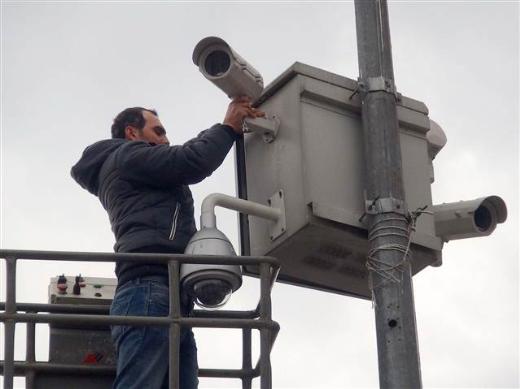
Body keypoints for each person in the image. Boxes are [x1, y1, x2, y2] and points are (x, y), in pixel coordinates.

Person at [71, 97, 263, 389]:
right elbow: (189, 161)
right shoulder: (128, 156)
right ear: (132, 133)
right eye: (158, 131)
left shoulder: (132, 166)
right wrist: (227, 128)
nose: (165, 138)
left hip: (166, 293)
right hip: (150, 289)